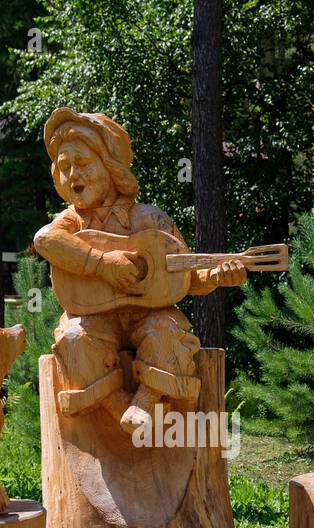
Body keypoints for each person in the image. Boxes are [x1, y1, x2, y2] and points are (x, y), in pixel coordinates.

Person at [33, 108, 245, 436]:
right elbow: (45, 239)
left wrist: (216, 277)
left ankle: (145, 400)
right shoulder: (73, 221)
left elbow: (183, 276)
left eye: (84, 164)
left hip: (147, 314)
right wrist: (102, 265)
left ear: (112, 166)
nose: (73, 174)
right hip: (94, 316)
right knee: (74, 341)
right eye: (64, 167)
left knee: (168, 335)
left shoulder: (149, 220)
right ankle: (118, 405)